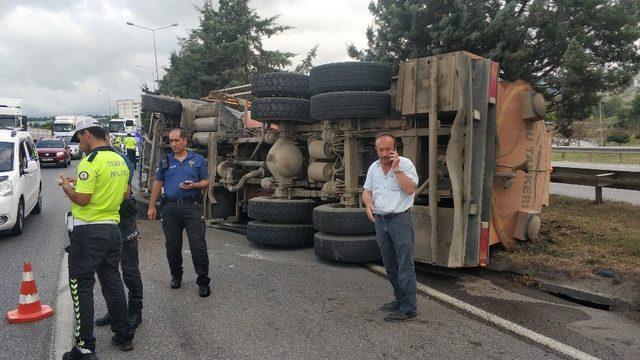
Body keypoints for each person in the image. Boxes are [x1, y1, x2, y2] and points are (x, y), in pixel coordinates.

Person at [58, 118, 134, 359]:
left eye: (79, 138)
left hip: (88, 232)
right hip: (113, 230)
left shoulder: (90, 161)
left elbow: (82, 199)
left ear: (88, 134)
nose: (79, 144)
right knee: (112, 282)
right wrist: (79, 185)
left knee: (81, 287)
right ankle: (124, 335)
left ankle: (85, 347)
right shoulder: (120, 160)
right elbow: (125, 193)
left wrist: (66, 187)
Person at [147, 128, 211, 297]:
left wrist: (195, 185)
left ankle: (203, 280)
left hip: (192, 208)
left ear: (185, 141)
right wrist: (152, 206)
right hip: (170, 209)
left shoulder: (197, 160)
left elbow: (206, 181)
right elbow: (157, 183)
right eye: (171, 141)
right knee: (173, 246)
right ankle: (176, 275)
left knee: (198, 245)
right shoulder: (165, 161)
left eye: (176, 140)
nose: (173, 144)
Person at [362, 132, 419, 322]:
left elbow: (410, 189)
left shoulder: (405, 164)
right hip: (381, 221)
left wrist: (396, 169)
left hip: (400, 220)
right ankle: (399, 300)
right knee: (390, 265)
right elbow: (367, 191)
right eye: (381, 150)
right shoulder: (374, 168)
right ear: (376, 150)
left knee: (405, 265)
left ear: (395, 149)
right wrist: (368, 204)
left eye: (388, 149)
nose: (385, 153)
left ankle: (409, 308)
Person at [95, 145, 143, 331]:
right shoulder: (97, 158)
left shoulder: (120, 159)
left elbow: (124, 191)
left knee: (130, 269)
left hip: (123, 218)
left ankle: (135, 311)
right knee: (108, 272)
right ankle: (115, 310)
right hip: (108, 219)